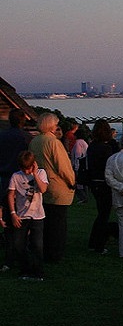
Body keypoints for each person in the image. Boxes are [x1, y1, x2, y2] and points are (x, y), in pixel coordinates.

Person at [28, 113, 75, 264]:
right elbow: (63, 166)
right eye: (55, 125)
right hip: (57, 185)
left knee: (46, 222)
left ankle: (45, 250)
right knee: (58, 224)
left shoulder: (34, 141)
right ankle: (55, 254)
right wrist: (71, 181)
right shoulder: (53, 142)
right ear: (50, 126)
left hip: (41, 184)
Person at [0, 109, 33, 270]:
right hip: (22, 180)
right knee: (24, 219)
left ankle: (9, 257)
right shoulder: (25, 138)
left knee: (8, 219)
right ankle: (22, 254)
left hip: (4, 179)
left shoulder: (2, 136)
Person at [7, 150, 47, 280]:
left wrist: (34, 174)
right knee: (18, 244)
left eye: (29, 169)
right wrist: (13, 213)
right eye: (24, 169)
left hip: (37, 215)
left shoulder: (41, 173)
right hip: (21, 215)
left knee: (37, 244)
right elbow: (11, 194)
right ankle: (25, 269)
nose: (26, 172)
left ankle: (38, 271)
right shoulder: (16, 176)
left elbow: (43, 189)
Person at [84, 120, 120, 255]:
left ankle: (94, 242)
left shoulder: (92, 146)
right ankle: (98, 243)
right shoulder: (107, 148)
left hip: (94, 182)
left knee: (102, 213)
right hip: (104, 183)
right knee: (103, 214)